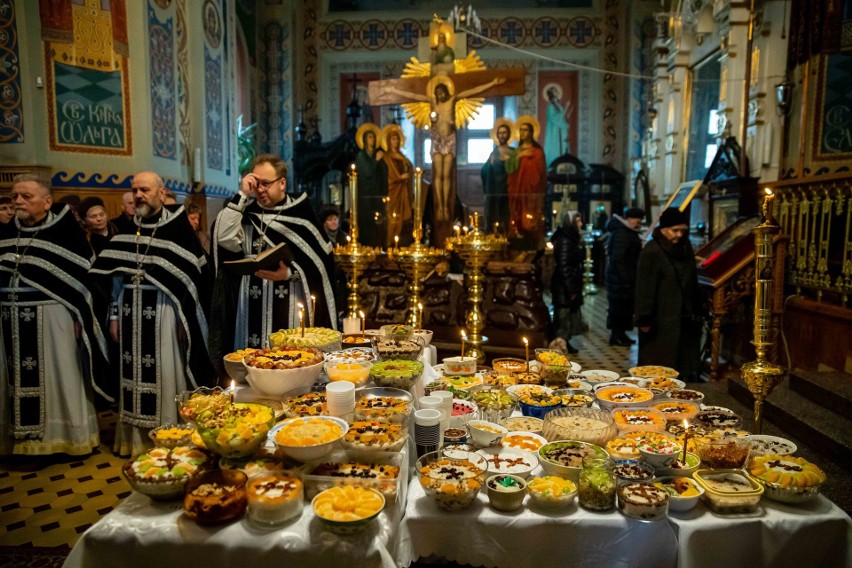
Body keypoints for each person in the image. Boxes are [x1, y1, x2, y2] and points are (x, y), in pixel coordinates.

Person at [90, 171, 213, 456]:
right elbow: (115, 279)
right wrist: (114, 315)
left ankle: (171, 435)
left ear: (161, 192)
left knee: (165, 373)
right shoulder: (127, 229)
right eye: (134, 190)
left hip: (165, 313)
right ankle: (137, 441)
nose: (138, 195)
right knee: (131, 374)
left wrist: (187, 321)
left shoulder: (179, 229)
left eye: (144, 189)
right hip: (130, 309)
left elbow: (194, 281)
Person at [0, 174, 112, 456]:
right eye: (15, 197)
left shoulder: (66, 232)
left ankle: (63, 438)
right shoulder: (6, 231)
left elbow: (85, 284)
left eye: (27, 196)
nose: (19, 202)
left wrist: (80, 319)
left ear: (47, 201)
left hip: (53, 320)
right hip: (9, 321)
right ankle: (21, 442)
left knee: (59, 377)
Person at [211, 154, 337, 364]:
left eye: (266, 184)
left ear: (282, 183)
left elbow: (321, 265)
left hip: (288, 302)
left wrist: (289, 273)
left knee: (290, 364)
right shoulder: (246, 214)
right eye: (256, 183)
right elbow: (223, 238)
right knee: (250, 364)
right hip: (250, 306)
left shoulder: (302, 215)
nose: (260, 189)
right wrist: (242, 193)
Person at [385, 74, 506, 223]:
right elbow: (413, 95)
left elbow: (472, 92)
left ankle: (446, 207)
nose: (439, 95)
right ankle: (440, 206)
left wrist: (493, 82)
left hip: (449, 140)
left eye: (441, 92)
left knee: (446, 175)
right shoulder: (431, 102)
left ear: (446, 91)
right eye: (437, 93)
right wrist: (396, 90)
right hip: (436, 139)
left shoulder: (452, 99)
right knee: (438, 176)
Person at [635, 207, 704, 381]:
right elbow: (644, 287)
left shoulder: (685, 248)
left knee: (683, 367)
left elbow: (691, 281)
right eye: (675, 230)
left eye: (683, 230)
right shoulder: (652, 251)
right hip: (660, 319)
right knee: (658, 366)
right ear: (664, 229)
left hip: (684, 318)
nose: (679, 234)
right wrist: (644, 318)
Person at [605, 207, 645, 346]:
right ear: (629, 219)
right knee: (619, 308)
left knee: (624, 308)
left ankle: (621, 334)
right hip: (620, 279)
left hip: (622, 278)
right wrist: (626, 280)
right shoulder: (622, 233)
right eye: (637, 220)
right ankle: (616, 335)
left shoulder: (627, 231)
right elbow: (618, 259)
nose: (638, 223)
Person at [507, 117, 547, 246]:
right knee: (517, 214)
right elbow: (509, 169)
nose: (523, 133)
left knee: (530, 218)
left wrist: (529, 161)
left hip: (532, 190)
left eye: (526, 130)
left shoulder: (538, 152)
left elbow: (540, 171)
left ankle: (532, 236)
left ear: (531, 133)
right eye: (521, 130)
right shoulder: (516, 151)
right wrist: (518, 157)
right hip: (518, 189)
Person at [550, 210, 585, 354]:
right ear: (570, 223)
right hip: (564, 287)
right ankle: (559, 345)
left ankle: (565, 342)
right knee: (563, 318)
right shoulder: (565, 239)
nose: (581, 224)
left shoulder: (570, 237)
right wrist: (570, 289)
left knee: (568, 317)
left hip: (568, 285)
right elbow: (564, 266)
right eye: (578, 221)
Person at [354, 123, 387, 248]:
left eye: (373, 137)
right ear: (364, 140)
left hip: (377, 195)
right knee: (367, 225)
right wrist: (377, 161)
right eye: (369, 137)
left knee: (378, 225)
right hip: (365, 196)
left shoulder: (376, 154)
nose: (372, 140)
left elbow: (383, 173)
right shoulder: (361, 156)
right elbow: (367, 173)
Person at [381, 124, 413, 247]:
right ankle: (389, 243)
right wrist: (400, 178)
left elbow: (409, 169)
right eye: (393, 139)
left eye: (397, 139)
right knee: (391, 219)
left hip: (403, 192)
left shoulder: (403, 157)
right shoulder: (386, 157)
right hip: (392, 192)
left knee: (401, 220)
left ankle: (397, 244)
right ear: (388, 141)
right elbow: (387, 176)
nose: (396, 141)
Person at [480, 118, 515, 231]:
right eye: (500, 133)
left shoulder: (514, 152)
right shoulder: (494, 153)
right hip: (495, 189)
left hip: (510, 189)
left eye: (504, 133)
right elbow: (485, 171)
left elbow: (517, 169)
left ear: (509, 135)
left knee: (508, 215)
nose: (502, 135)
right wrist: (490, 166)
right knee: (496, 215)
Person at [543, 84, 572, 168]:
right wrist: (566, 107)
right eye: (555, 91)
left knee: (563, 148)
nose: (557, 92)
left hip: (562, 131)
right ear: (552, 93)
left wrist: (566, 114)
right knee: (556, 149)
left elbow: (562, 117)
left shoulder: (559, 104)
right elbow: (556, 119)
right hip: (555, 133)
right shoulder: (550, 106)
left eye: (557, 90)